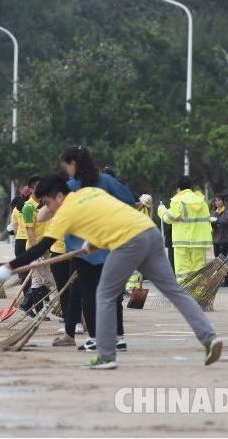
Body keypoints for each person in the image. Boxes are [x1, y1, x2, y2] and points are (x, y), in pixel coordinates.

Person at [0, 174, 222, 369]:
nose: (49, 209)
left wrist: (9, 267)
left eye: (48, 203)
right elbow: (108, 217)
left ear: (58, 196)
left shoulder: (65, 211)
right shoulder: (90, 192)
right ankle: (209, 338)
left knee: (104, 294)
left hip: (129, 243)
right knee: (174, 291)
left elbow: (41, 246)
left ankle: (106, 355)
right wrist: (92, 242)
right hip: (149, 234)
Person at [54, 147, 135, 351]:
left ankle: (96, 338)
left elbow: (55, 212)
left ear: (73, 164)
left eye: (67, 165)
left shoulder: (72, 186)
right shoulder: (107, 181)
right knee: (112, 293)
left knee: (88, 293)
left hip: (85, 251)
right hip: (110, 246)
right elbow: (130, 202)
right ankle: (118, 337)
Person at [158, 176, 212, 285]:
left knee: (183, 272)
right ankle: (198, 296)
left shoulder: (178, 200)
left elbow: (169, 218)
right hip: (199, 242)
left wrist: (161, 210)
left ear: (178, 189)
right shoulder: (201, 200)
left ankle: (185, 297)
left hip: (182, 243)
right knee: (198, 271)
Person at [20, 175, 54, 314]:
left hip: (46, 247)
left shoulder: (45, 203)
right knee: (48, 280)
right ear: (32, 189)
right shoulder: (28, 207)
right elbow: (29, 230)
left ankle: (29, 305)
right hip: (36, 248)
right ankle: (39, 307)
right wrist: (36, 251)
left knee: (37, 281)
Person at [210, 195, 228, 287]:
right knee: (218, 260)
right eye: (216, 201)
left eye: (219, 200)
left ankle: (226, 280)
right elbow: (212, 224)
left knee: (223, 259)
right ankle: (220, 279)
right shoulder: (214, 212)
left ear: (223, 201)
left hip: (225, 239)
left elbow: (226, 221)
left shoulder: (227, 211)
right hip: (216, 239)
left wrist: (216, 220)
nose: (217, 202)